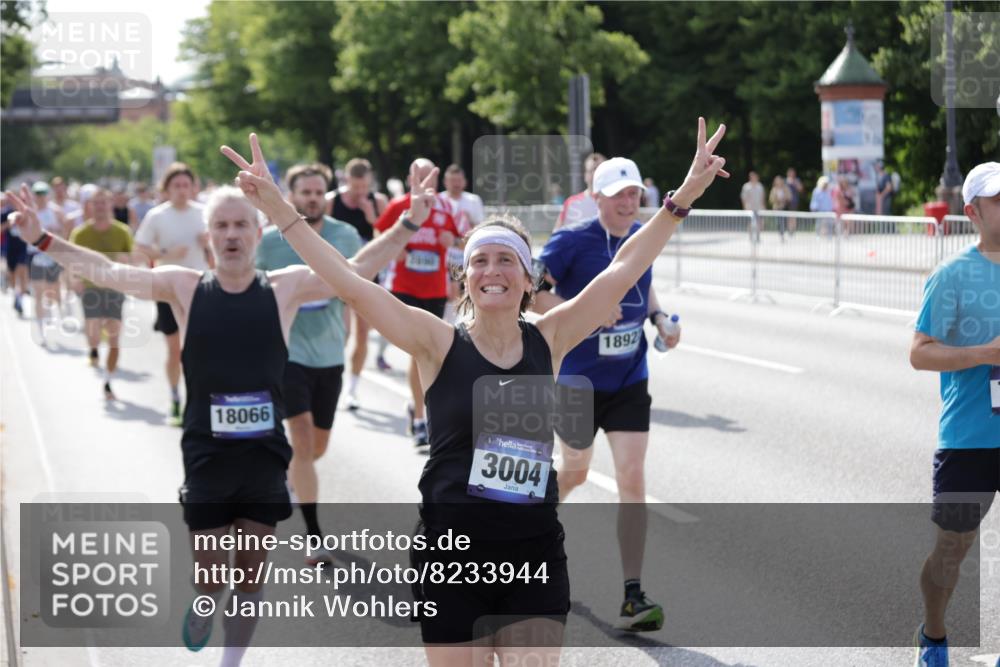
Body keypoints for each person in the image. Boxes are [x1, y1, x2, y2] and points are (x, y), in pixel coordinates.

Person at [220, 118, 727, 664]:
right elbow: (349, 283)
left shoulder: (550, 338)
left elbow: (625, 268)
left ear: (529, 279)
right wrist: (279, 211)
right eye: (480, 260)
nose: (492, 270)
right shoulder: (436, 342)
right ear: (464, 278)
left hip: (533, 554)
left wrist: (683, 198)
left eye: (507, 259)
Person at [6, 176, 426, 666]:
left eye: (241, 225)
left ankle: (231, 661)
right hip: (206, 453)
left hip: (264, 456)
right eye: (222, 226)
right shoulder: (183, 285)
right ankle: (205, 603)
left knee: (249, 577)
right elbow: (111, 273)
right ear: (208, 236)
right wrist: (41, 238)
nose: (232, 235)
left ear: (257, 231)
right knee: (212, 577)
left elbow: (355, 271)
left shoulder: (285, 287)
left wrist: (409, 222)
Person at [533, 156, 683, 632]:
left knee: (632, 477)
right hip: (577, 380)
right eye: (617, 193)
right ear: (596, 197)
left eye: (634, 192)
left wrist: (659, 319)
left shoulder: (644, 239)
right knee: (574, 472)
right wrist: (581, 313)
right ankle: (529, 531)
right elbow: (534, 290)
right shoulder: (571, 241)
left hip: (628, 379)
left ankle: (632, 594)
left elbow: (646, 287)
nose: (627, 201)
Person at [909, 162, 1000, 667]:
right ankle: (934, 635)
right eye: (999, 200)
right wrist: (986, 354)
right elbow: (920, 353)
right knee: (950, 554)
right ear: (973, 211)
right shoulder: (953, 275)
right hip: (970, 439)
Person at [256, 163, 364, 564]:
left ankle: (287, 474)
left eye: (319, 192)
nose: (313, 198)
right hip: (288, 355)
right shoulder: (268, 243)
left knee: (316, 447)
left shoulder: (345, 235)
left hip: (330, 353)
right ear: (292, 195)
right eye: (306, 192)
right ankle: (314, 535)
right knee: (301, 439)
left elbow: (359, 286)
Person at [373, 158, 459, 447]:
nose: (426, 181)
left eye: (430, 176)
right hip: (404, 287)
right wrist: (392, 250)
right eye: (420, 175)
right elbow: (379, 231)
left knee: (434, 354)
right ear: (410, 177)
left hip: (434, 288)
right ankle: (422, 418)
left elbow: (456, 243)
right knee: (420, 352)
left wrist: (452, 248)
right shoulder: (400, 205)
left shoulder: (445, 208)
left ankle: (420, 410)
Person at [134, 163, 211, 426]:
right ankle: (175, 397)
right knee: (175, 349)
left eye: (185, 185)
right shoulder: (157, 215)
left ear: (193, 187)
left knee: (202, 348)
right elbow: (140, 248)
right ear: (166, 189)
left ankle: (200, 399)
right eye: (175, 185)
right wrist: (166, 255)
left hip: (202, 287)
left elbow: (223, 247)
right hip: (167, 289)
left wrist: (208, 244)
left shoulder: (205, 213)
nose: (181, 190)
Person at [329, 158, 391, 400]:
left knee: (363, 333)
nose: (360, 192)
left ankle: (352, 388)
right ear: (347, 181)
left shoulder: (379, 201)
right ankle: (334, 376)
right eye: (356, 187)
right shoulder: (332, 201)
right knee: (341, 333)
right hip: (337, 272)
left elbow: (388, 238)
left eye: (364, 187)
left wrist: (372, 216)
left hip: (367, 274)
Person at [67, 188, 135, 399]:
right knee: (94, 333)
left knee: (114, 337)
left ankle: (108, 381)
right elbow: (70, 260)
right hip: (91, 287)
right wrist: (74, 279)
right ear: (90, 207)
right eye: (96, 203)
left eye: (104, 203)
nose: (100, 207)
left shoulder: (122, 231)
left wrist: (127, 265)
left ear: (110, 205)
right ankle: (94, 349)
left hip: (115, 288)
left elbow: (132, 258)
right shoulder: (80, 233)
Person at [26, 181, 70, 344]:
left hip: (53, 256)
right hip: (35, 256)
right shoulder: (29, 212)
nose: (40, 197)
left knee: (52, 290)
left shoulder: (56, 212)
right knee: (38, 293)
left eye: (43, 194)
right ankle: (41, 328)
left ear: (47, 194)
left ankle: (52, 310)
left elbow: (65, 231)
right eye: (37, 194)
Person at [555, 152, 606, 230]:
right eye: (592, 170)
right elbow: (556, 234)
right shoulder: (572, 203)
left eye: (599, 169)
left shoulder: (618, 202)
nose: (595, 173)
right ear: (585, 175)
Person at [740, 171, 765, 243]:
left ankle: (758, 236)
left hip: (758, 207)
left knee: (759, 222)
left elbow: (762, 197)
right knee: (750, 223)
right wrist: (745, 207)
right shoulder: (746, 186)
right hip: (750, 208)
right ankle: (751, 237)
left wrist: (763, 206)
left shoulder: (760, 186)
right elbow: (743, 197)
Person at [768, 175, 791, 242]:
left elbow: (789, 197)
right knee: (779, 222)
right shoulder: (774, 189)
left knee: (785, 222)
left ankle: (784, 234)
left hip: (784, 208)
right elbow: (771, 199)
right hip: (777, 208)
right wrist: (776, 199)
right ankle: (781, 235)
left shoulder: (785, 188)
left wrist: (784, 199)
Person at [785, 167, 803, 236]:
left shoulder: (797, 180)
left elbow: (801, 189)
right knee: (788, 216)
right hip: (787, 202)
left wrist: (795, 183)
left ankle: (793, 230)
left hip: (794, 202)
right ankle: (788, 230)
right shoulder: (785, 181)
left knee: (793, 216)